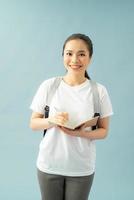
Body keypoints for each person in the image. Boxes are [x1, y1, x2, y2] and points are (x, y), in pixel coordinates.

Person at [29, 33, 113, 200]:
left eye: (81, 54)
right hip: (49, 165)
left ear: (90, 58)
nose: (75, 59)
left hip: (81, 168)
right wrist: (51, 120)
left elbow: (103, 131)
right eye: (69, 53)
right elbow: (33, 123)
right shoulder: (49, 86)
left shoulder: (99, 91)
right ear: (63, 56)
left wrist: (82, 133)